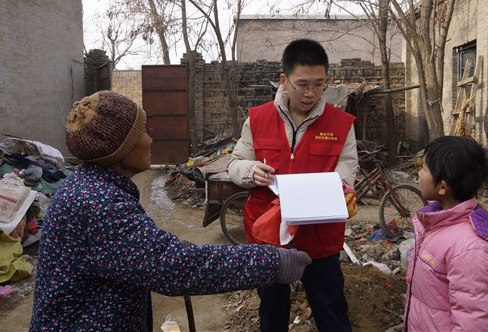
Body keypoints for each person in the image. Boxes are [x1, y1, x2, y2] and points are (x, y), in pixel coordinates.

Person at [30, 90, 311, 331]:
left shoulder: (89, 187)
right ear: (120, 150)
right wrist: (272, 262)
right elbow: (173, 266)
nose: (150, 140)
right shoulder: (98, 205)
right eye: (142, 132)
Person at [228, 38, 358, 332]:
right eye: (302, 84)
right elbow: (235, 164)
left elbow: (347, 169)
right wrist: (251, 170)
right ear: (284, 80)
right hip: (269, 232)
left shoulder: (341, 123)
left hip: (319, 234)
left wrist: (338, 188)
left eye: (318, 84)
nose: (310, 93)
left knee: (330, 308)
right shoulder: (258, 119)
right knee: (272, 309)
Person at [404, 136, 488, 332]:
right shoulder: (437, 223)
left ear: (442, 186)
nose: (419, 174)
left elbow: (477, 324)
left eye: (424, 169)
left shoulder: (470, 250)